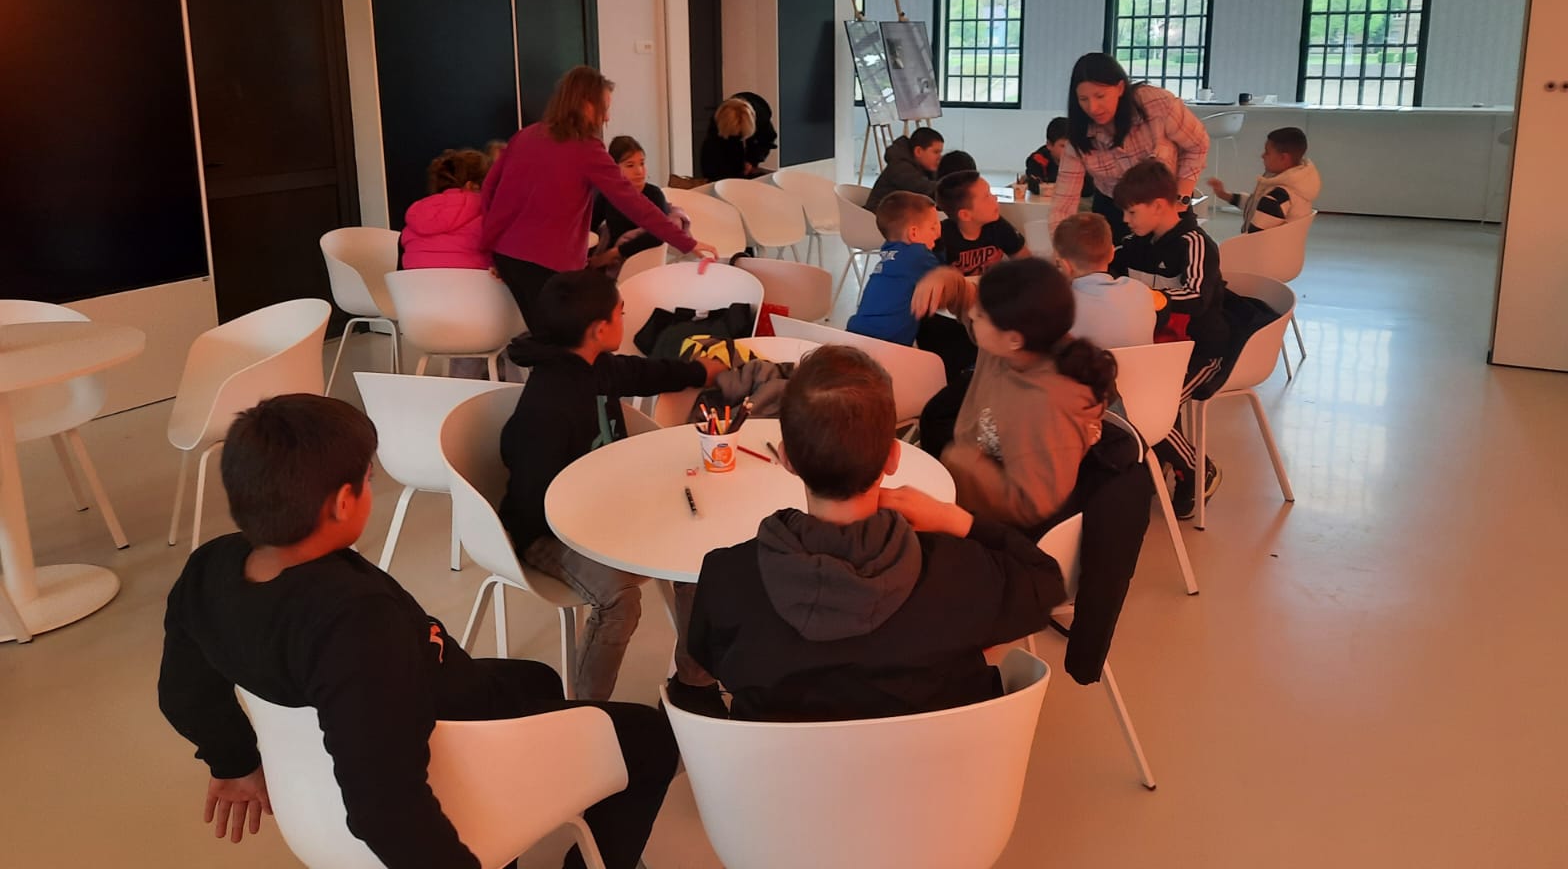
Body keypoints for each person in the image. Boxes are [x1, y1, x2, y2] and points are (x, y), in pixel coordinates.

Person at [157, 394, 676, 869]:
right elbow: (384, 807)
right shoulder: (354, 623)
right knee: (650, 739)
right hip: (457, 737)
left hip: (429, 694)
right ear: (342, 503)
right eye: (367, 480)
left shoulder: (210, 567)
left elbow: (184, 694)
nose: (370, 490)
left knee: (536, 679)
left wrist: (233, 762)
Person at [686, 345, 1066, 721]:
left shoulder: (725, 579)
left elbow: (710, 661)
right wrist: (954, 518)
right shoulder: (962, 573)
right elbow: (1046, 582)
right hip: (940, 760)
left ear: (787, 458)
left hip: (784, 764)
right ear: (893, 457)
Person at [501, 271, 726, 711]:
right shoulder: (548, 405)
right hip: (547, 532)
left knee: (699, 558)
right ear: (599, 329)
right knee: (620, 601)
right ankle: (585, 710)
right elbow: (533, 496)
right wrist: (606, 527)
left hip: (609, 510)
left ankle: (694, 684)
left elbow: (642, 373)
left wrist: (700, 370)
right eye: (621, 311)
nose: (625, 316)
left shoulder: (595, 365)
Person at [481, 65, 714, 327]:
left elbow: (489, 191)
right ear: (586, 104)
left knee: (547, 335)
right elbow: (633, 202)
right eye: (604, 107)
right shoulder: (586, 148)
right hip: (547, 263)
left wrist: (490, 250)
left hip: (508, 255)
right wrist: (686, 242)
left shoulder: (525, 136)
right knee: (561, 339)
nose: (607, 117)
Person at [909, 258, 1119, 533]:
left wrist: (963, 463)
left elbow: (1033, 505)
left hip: (997, 527)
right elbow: (969, 302)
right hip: (971, 475)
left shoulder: (1046, 405)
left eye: (981, 315)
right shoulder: (1017, 346)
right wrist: (950, 283)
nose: (972, 314)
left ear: (1013, 339)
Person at [1112, 159, 1226, 518]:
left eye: (1131, 212)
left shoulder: (1195, 243)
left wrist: (1152, 298)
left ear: (1159, 206)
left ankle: (1196, 468)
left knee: (1148, 408)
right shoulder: (1133, 244)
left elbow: (1197, 297)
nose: (1125, 220)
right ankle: (1159, 464)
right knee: (1124, 400)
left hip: (1201, 353)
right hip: (1153, 350)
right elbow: (1107, 275)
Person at [1048, 53, 1210, 243]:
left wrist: (1180, 200)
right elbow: (1063, 204)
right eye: (1083, 99)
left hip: (1167, 205)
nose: (1093, 108)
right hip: (1115, 210)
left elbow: (1197, 145)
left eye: (1100, 96)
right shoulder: (1079, 136)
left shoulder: (1155, 104)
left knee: (1177, 255)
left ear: (1120, 88)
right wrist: (1063, 249)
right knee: (1116, 259)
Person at [847, 191, 975, 382]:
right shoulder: (917, 255)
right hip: (887, 346)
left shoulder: (889, 252)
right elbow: (949, 283)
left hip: (857, 333)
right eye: (933, 227)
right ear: (914, 233)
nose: (938, 232)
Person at [1052, 213, 1159, 350]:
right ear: (1112, 253)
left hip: (1087, 364)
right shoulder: (1141, 291)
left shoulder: (1061, 305)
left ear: (1066, 265)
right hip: (1144, 364)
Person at [589, 135, 688, 275]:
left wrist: (614, 253)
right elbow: (590, 227)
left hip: (645, 267)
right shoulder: (607, 195)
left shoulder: (653, 194)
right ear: (614, 169)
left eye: (642, 163)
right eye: (630, 165)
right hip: (613, 266)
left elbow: (659, 235)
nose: (639, 171)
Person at [1208, 126, 1322, 233]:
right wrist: (1225, 195)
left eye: (1267, 152)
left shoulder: (1277, 197)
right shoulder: (1299, 185)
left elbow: (1255, 237)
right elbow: (1256, 205)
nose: (1262, 156)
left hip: (1263, 247)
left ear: (1283, 158)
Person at [399, 148, 493, 270]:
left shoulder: (417, 213)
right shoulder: (486, 211)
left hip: (416, 281)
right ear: (472, 186)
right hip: (473, 280)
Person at [935, 170, 1027, 277]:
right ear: (965, 215)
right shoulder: (940, 237)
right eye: (986, 197)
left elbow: (1026, 261)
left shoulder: (997, 225)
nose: (995, 197)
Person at [865, 126, 944, 211]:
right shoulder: (899, 167)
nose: (939, 157)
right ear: (918, 151)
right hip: (878, 215)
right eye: (936, 152)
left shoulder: (923, 167)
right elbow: (923, 188)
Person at [699, 97, 766, 182]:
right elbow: (714, 176)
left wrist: (751, 161)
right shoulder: (712, 146)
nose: (738, 136)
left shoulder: (749, 123)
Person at [1023, 117, 1070, 196]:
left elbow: (1087, 190)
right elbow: (1035, 187)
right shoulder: (1038, 159)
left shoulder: (1079, 159)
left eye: (1071, 146)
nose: (1068, 151)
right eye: (1063, 146)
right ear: (1049, 145)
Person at [734, 90, 778, 169]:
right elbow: (714, 145)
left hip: (756, 123)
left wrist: (752, 161)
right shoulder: (719, 118)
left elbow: (767, 141)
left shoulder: (761, 119)